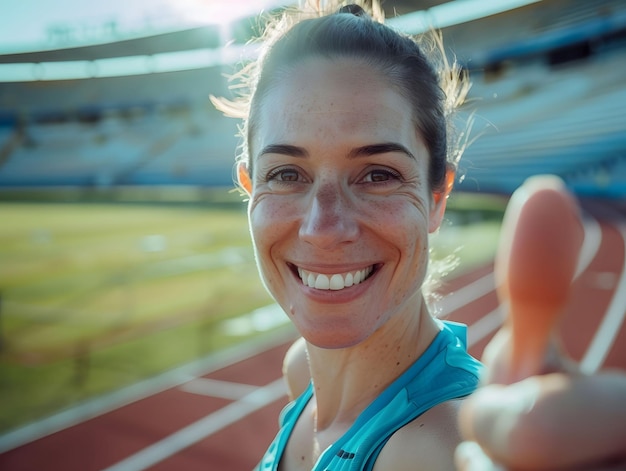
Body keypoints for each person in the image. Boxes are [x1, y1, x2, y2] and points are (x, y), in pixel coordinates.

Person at [211, 2, 626, 470]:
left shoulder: (440, 449)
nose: (323, 228)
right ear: (249, 189)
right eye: (286, 174)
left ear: (436, 198)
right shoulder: (301, 373)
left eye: (377, 175)